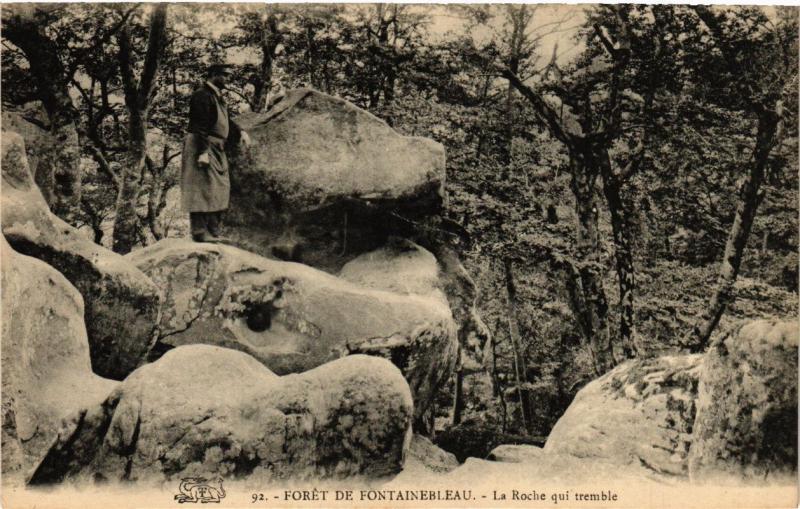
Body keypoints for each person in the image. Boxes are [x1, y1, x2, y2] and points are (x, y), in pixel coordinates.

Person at [181, 63, 251, 242]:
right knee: (200, 187)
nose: (228, 79)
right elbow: (199, 125)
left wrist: (241, 131)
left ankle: (214, 231)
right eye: (225, 75)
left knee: (219, 187)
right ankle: (199, 233)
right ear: (213, 75)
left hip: (217, 146)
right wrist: (203, 152)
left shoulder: (216, 96)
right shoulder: (202, 95)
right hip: (202, 144)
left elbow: (227, 120)